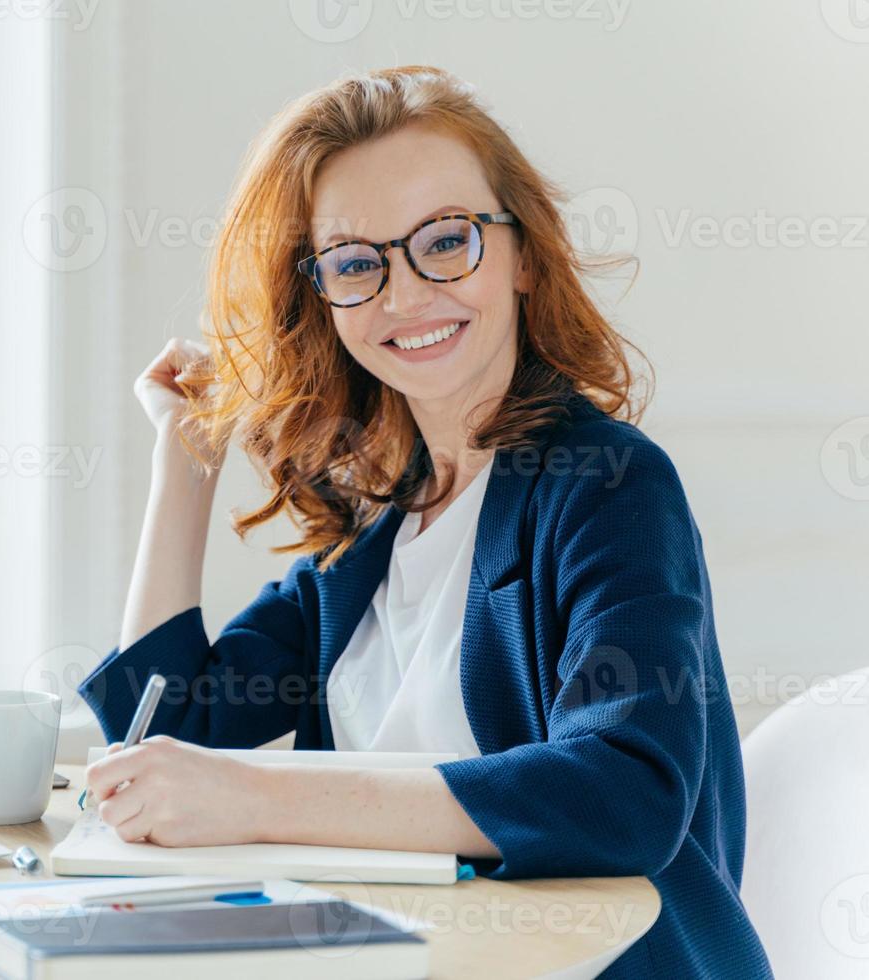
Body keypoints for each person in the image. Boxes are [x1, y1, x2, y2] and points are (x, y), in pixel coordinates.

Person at [78, 66, 772, 979]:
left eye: (447, 241)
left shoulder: (606, 485)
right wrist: (187, 457)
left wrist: (260, 799)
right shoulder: (371, 523)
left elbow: (624, 796)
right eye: (357, 262)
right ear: (323, 300)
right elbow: (165, 728)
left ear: (526, 256)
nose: (405, 295)